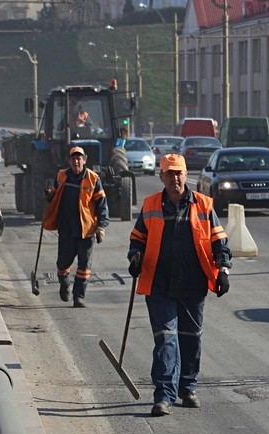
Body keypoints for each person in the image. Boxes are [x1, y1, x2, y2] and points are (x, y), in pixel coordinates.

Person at [127, 154, 232, 417]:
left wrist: (223, 271)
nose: (175, 178)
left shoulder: (204, 205)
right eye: (170, 173)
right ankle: (164, 395)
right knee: (166, 340)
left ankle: (187, 387)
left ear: (186, 175)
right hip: (159, 284)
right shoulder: (151, 205)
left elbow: (219, 241)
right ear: (161, 176)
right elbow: (138, 238)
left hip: (192, 284)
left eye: (179, 173)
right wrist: (134, 258)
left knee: (191, 339)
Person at [43, 146, 109, 308]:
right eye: (73, 158)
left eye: (79, 158)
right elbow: (55, 195)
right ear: (69, 161)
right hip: (66, 228)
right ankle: (64, 282)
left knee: (84, 265)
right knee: (63, 262)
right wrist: (49, 195)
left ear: (84, 160)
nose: (76, 161)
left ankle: (78, 297)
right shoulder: (62, 176)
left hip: (87, 229)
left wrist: (101, 226)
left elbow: (102, 204)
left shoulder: (93, 179)